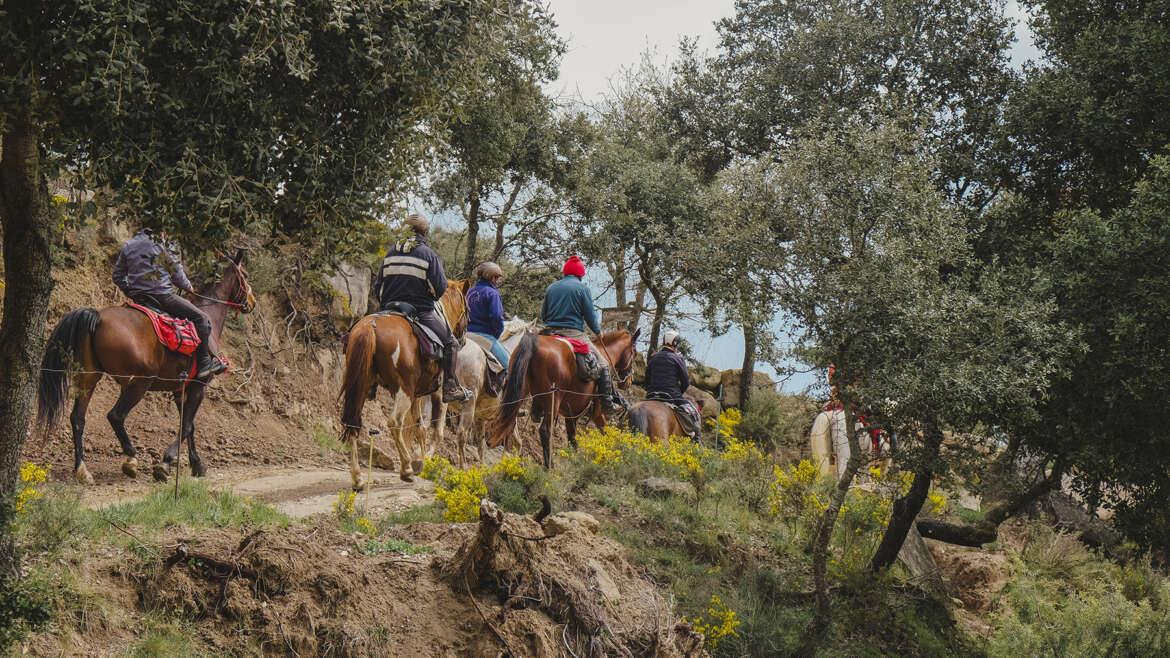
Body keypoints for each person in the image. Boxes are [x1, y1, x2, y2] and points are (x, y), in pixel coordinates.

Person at [375, 213, 469, 402]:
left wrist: (385, 303)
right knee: (451, 343)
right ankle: (450, 387)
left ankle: (370, 383)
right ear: (424, 232)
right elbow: (440, 288)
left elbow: (379, 287)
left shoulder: (390, 254)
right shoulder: (429, 255)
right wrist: (429, 297)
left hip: (389, 308)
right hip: (419, 310)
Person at [113, 225, 226, 379]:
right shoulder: (163, 244)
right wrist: (189, 288)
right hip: (162, 297)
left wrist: (130, 291)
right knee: (202, 319)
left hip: (139, 298)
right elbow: (177, 275)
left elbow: (117, 276)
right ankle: (204, 363)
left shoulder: (129, 245)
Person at [540, 255, 626, 413]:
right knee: (603, 364)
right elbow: (590, 315)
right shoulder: (582, 289)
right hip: (573, 333)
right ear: (580, 274)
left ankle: (536, 408)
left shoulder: (551, 287)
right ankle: (608, 405)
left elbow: (544, 315)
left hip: (549, 332)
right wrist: (598, 332)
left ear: (565, 272)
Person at [644, 330, 701, 440]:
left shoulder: (653, 358)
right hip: (672, 396)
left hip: (652, 395)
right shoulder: (678, 359)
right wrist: (679, 393)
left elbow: (647, 380)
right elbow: (686, 382)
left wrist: (650, 390)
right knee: (694, 413)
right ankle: (696, 440)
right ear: (675, 344)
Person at [466, 262, 510, 370]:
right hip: (484, 337)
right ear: (491, 277)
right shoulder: (492, 293)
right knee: (510, 367)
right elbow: (496, 317)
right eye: (496, 278)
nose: (496, 281)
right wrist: (496, 334)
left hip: (466, 335)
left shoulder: (469, 292)